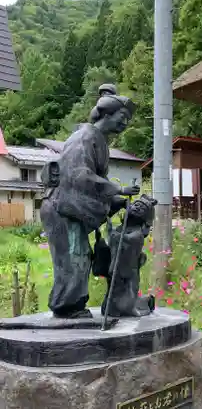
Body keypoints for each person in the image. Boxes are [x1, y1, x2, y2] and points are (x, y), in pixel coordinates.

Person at [40, 93, 140, 319]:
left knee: (81, 257)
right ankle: (66, 308)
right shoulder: (84, 137)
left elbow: (90, 186)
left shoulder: (98, 140)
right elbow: (79, 176)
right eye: (122, 116)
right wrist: (117, 190)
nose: (125, 123)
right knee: (73, 259)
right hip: (60, 208)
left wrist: (120, 201)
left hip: (70, 208)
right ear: (106, 113)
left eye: (128, 119)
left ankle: (71, 306)